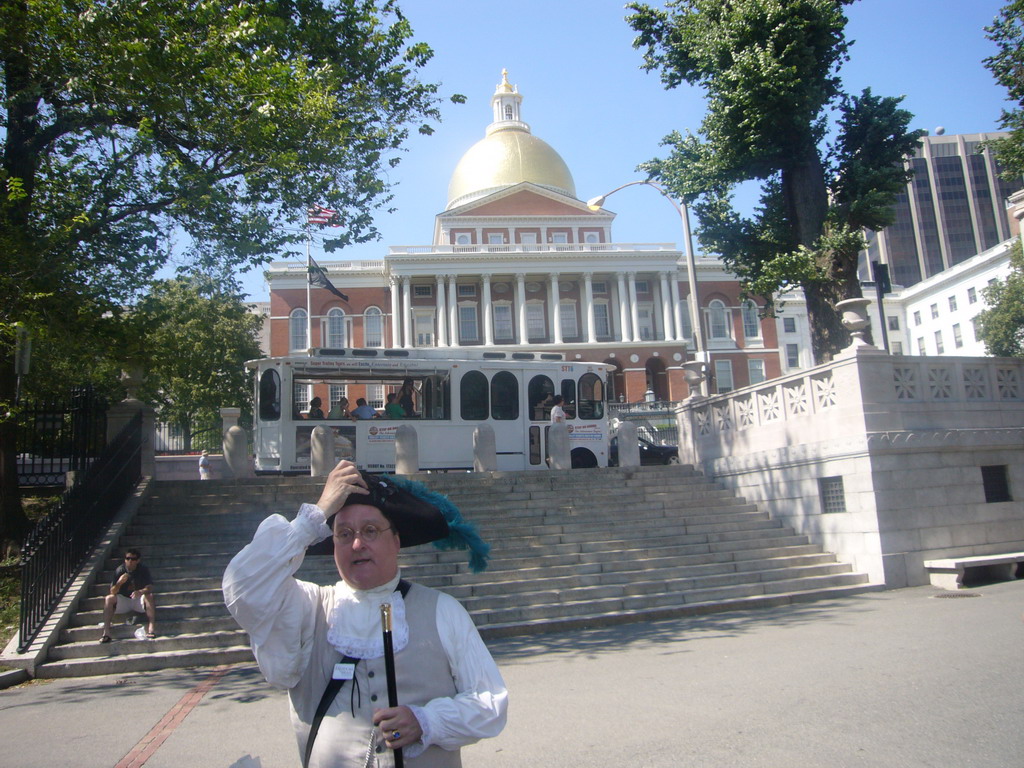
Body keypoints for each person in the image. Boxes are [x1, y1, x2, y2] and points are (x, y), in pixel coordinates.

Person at [223, 461, 507, 767]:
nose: (357, 544)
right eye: (343, 534)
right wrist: (315, 515)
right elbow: (243, 588)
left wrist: (426, 721)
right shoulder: (307, 607)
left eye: (370, 531)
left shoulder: (443, 610)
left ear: (396, 541)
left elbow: (490, 703)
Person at [100, 548, 156, 642]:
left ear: (137, 560)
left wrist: (141, 591)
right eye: (127, 558)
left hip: (138, 599)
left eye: (133, 559)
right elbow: (112, 592)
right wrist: (119, 583)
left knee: (149, 596)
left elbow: (150, 587)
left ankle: (151, 628)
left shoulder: (143, 569)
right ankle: (106, 633)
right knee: (109, 598)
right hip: (124, 600)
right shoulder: (120, 570)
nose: (129, 561)